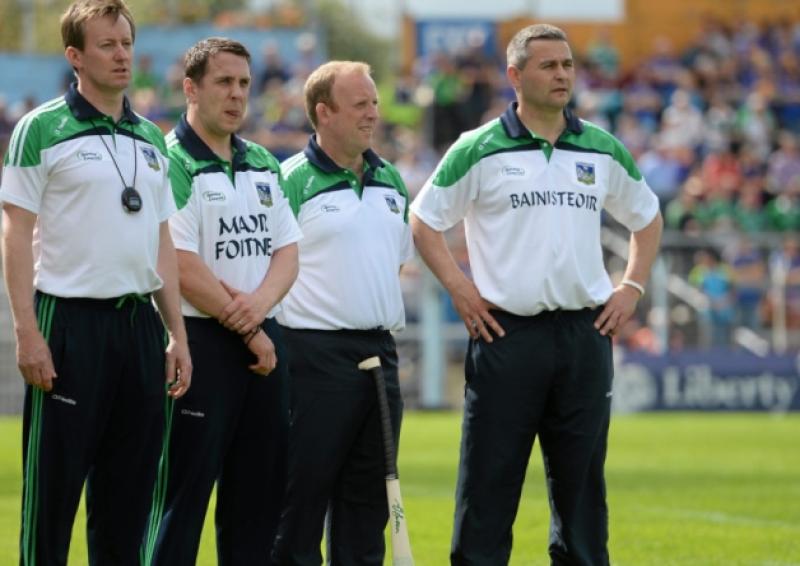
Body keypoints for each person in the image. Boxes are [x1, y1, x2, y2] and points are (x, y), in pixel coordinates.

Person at [411, 24, 663, 565]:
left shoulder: (600, 146)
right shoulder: (477, 148)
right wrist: (460, 290)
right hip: (507, 335)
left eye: (568, 65)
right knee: (487, 487)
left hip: (584, 334)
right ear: (515, 75)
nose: (562, 75)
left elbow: (648, 217)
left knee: (582, 493)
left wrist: (632, 287)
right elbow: (424, 220)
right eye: (549, 66)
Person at [0, 1, 192, 564]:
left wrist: (177, 333)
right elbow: (14, 234)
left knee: (127, 502)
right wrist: (27, 332)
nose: (122, 54)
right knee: (53, 499)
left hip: (138, 330)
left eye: (127, 43)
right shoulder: (41, 128)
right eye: (106, 44)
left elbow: (162, 244)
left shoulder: (153, 140)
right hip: (68, 323)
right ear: (75, 56)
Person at [140, 38, 301, 566]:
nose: (236, 95)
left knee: (258, 499)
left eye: (244, 84)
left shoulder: (261, 162)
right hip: (198, 345)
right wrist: (250, 325)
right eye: (223, 83)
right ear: (190, 88)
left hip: (261, 341)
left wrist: (259, 313)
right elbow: (180, 264)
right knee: (182, 501)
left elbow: (287, 252)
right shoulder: (170, 159)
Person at [270, 61, 414, 566]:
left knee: (369, 501)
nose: (373, 113)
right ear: (323, 113)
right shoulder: (288, 181)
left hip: (380, 354)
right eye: (360, 104)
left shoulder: (391, 178)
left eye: (374, 102)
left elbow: (393, 261)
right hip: (311, 357)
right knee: (301, 499)